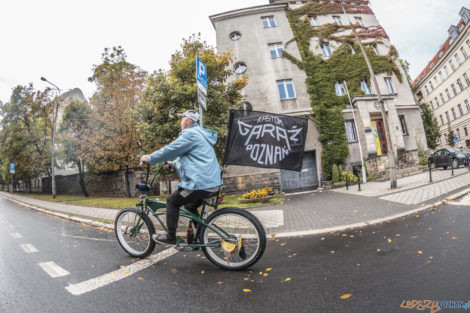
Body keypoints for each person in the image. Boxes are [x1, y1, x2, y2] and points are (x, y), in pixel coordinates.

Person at [140, 110, 222, 246]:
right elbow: (192, 158)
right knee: (190, 206)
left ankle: (170, 237)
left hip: (201, 183)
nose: (180, 122)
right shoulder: (200, 135)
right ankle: (202, 236)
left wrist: (149, 158)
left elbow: (169, 150)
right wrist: (173, 164)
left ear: (188, 121)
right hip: (212, 182)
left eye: (182, 119)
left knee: (172, 201)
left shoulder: (190, 134)